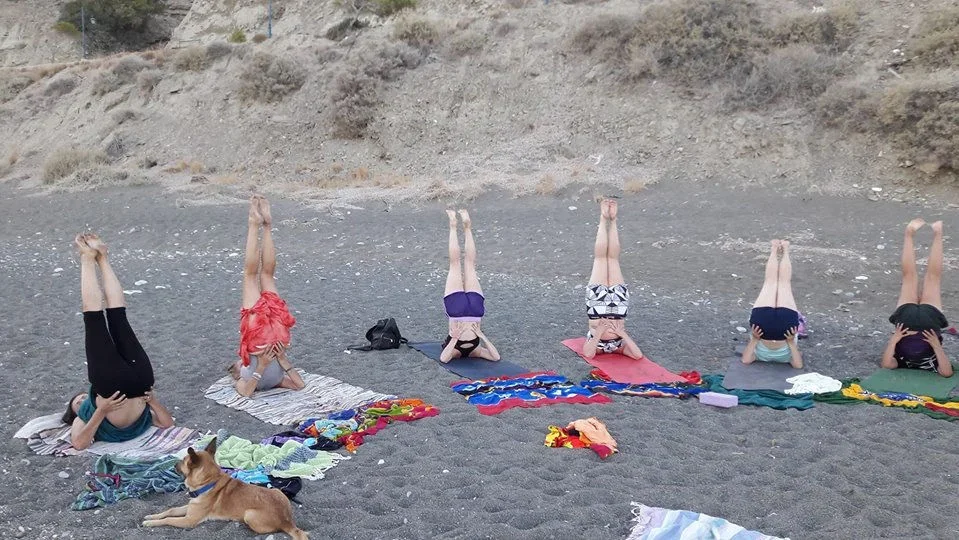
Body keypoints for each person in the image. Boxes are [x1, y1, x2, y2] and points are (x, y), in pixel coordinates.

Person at [63, 234, 175, 450]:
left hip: (121, 383)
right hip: (140, 383)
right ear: (74, 412)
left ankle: (98, 257)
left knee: (109, 317)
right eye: (79, 402)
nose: (83, 400)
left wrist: (101, 408)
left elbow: (79, 443)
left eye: (81, 399)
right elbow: (167, 423)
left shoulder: (91, 410)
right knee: (106, 318)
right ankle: (92, 257)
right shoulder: (84, 417)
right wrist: (150, 401)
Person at [229, 195, 306, 396]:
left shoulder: (267, 379)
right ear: (238, 372)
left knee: (264, 275)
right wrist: (279, 360)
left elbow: (297, 384)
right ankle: (260, 225)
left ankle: (265, 224)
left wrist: (265, 365)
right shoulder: (246, 380)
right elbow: (299, 385)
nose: (241, 361)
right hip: (264, 340)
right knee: (253, 275)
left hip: (275, 338)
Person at [881, 219, 953, 377]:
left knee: (932, 278)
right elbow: (947, 373)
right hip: (922, 324)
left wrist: (895, 339)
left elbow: (886, 365)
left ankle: (937, 232)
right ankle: (909, 234)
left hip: (912, 324)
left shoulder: (925, 364)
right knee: (909, 277)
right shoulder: (909, 362)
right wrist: (936, 346)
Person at [582, 199, 643, 360]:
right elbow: (638, 355)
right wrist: (622, 334)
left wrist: (599, 332)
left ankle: (603, 218)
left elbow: (588, 354)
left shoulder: (596, 346)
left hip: (597, 310)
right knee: (613, 260)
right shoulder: (620, 346)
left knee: (601, 259)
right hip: (618, 310)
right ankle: (613, 220)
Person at [440, 209, 500, 363]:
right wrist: (479, 336)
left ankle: (467, 227)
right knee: (455, 264)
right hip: (458, 311)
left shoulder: (476, 350)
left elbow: (495, 357)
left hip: (475, 312)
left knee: (470, 265)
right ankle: (454, 225)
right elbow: (444, 358)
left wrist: (478, 336)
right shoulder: (467, 351)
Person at [741, 239, 803, 369]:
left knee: (782, 283)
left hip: (772, 330)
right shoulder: (760, 356)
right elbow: (798, 366)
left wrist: (755, 339)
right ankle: (776, 248)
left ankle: (782, 249)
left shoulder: (777, 358)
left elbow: (746, 360)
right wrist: (791, 342)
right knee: (772, 282)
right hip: (778, 331)